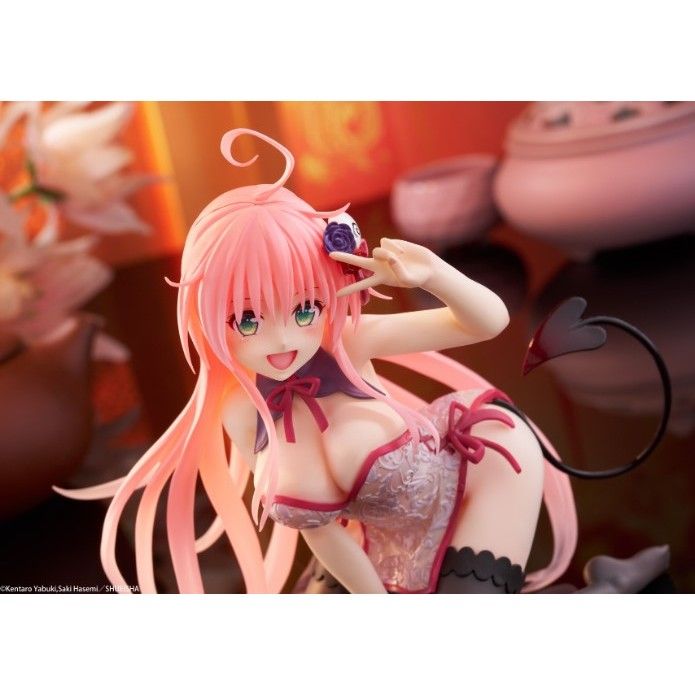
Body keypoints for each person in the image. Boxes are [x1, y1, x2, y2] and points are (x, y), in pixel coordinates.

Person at [58, 128, 666, 594]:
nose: (282, 338)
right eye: (247, 319)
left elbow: (486, 323)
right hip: (382, 540)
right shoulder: (241, 411)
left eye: (303, 308)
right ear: (207, 315)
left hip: (485, 470)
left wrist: (434, 274)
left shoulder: (345, 342)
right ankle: (610, 585)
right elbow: (318, 529)